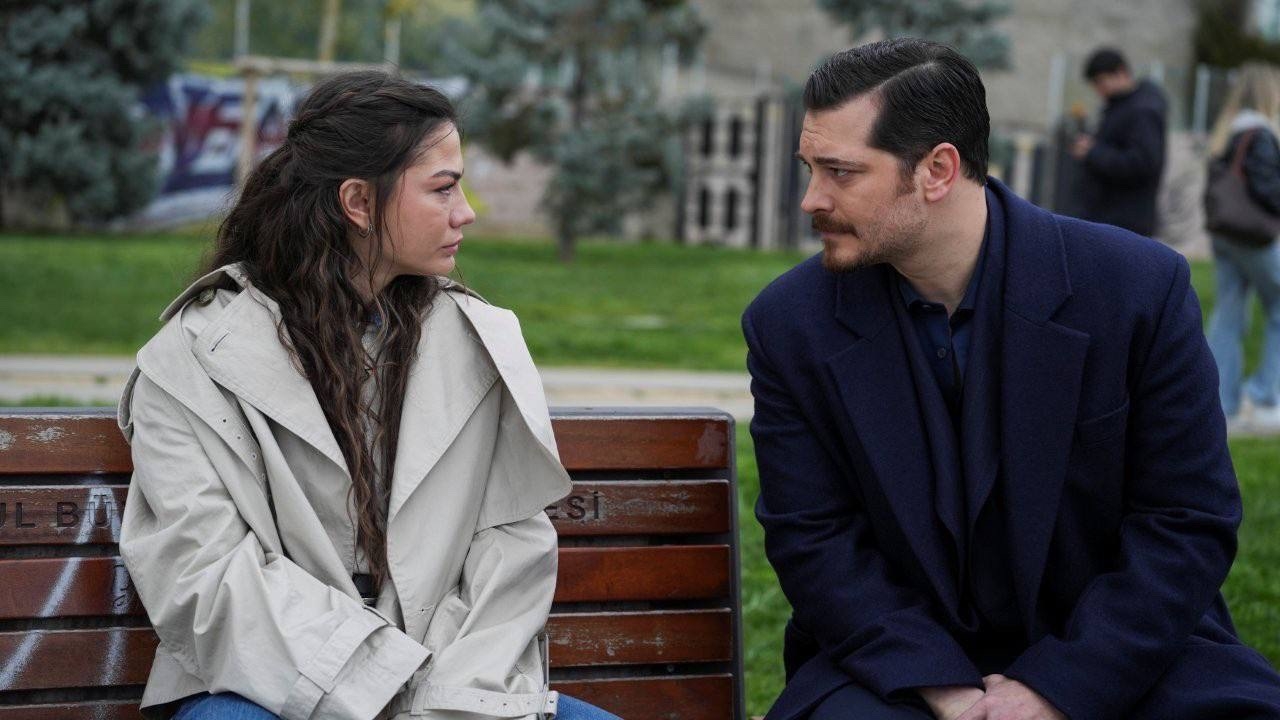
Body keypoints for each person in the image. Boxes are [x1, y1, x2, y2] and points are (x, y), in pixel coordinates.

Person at [744, 38, 1280, 720]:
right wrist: (946, 692)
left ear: (937, 170)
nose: (810, 199)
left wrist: (1058, 687)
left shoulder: (1135, 291)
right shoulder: (789, 325)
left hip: (1124, 657)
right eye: (809, 168)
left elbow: (1187, 520)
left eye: (840, 172)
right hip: (896, 670)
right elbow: (814, 542)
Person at [117, 71, 620, 720]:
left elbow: (510, 553)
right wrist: (378, 681)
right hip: (263, 687)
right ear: (358, 202)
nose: (465, 211)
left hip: (450, 689)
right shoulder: (192, 360)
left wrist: (444, 701)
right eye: (442, 188)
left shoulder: (478, 344)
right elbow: (206, 582)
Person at [1205, 62, 1280, 429]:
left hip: (1225, 234)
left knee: (1228, 315)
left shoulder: (1227, 132)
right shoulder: (1260, 133)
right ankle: (1266, 396)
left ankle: (1221, 404)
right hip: (1254, 236)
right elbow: (1267, 188)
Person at [1070, 47, 1168, 237]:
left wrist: (1092, 153)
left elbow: (1143, 162)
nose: (1099, 89)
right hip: (1107, 217)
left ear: (1121, 72)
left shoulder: (1143, 111)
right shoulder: (1120, 105)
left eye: (1101, 81)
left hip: (1124, 222)